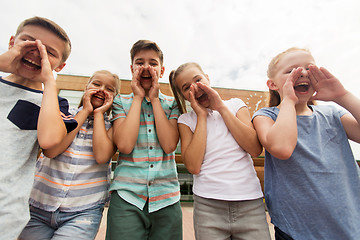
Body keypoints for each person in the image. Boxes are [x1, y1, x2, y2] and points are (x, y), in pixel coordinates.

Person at [252, 47, 360, 239]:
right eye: (291, 70)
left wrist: (342, 96)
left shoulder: (333, 114)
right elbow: (282, 148)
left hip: (349, 224)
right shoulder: (266, 116)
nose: (302, 73)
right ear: (272, 84)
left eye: (309, 68)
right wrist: (289, 101)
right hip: (296, 229)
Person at [170, 62, 271, 240]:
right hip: (208, 206)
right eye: (187, 88)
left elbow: (255, 149)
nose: (195, 88)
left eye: (198, 80)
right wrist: (201, 116)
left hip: (249, 203)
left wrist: (221, 108)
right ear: (184, 95)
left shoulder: (235, 105)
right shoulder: (186, 120)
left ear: (208, 78)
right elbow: (193, 166)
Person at [18, 70, 120, 240]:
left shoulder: (112, 125)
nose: (101, 89)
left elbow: (102, 156)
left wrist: (98, 114)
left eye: (109, 89)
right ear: (86, 87)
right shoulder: (66, 112)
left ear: (114, 97)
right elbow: (52, 150)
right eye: (96, 84)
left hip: (83, 212)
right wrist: (85, 111)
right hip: (38, 207)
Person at [0, 16, 77, 240]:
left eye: (49, 52)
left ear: (61, 66)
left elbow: (51, 144)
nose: (37, 52)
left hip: (6, 208)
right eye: (28, 42)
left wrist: (49, 82)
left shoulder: (54, 103)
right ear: (12, 42)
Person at [106, 40, 182, 240]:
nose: (146, 67)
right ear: (132, 69)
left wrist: (155, 99)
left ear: (162, 70)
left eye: (153, 63)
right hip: (127, 197)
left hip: (167, 197)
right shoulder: (120, 102)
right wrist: (138, 98)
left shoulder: (172, 104)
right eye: (140, 63)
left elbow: (168, 145)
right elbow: (124, 145)